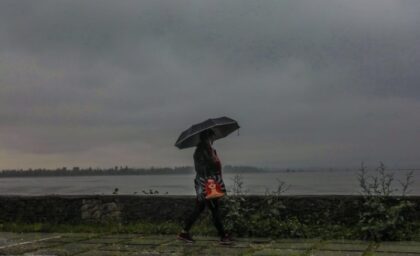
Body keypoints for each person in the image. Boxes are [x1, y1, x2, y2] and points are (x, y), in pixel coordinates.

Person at [177, 129, 233, 245]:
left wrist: (214, 156)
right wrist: (212, 160)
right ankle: (223, 236)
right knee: (214, 209)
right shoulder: (200, 151)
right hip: (206, 184)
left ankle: (184, 232)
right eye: (212, 136)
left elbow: (216, 167)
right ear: (207, 137)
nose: (213, 139)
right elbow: (202, 169)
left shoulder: (210, 150)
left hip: (210, 183)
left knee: (200, 208)